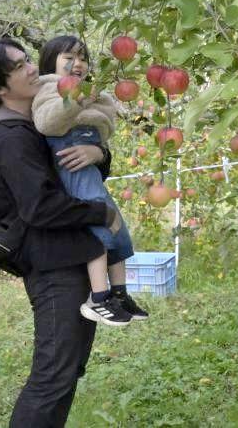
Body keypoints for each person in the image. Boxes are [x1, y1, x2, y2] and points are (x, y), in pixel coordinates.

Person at [0, 38, 121, 427]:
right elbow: (41, 207)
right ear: (0, 88)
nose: (32, 68)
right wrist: (102, 214)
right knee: (53, 376)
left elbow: (78, 168)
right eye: (19, 67)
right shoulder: (10, 137)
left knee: (68, 371)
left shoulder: (39, 121)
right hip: (53, 269)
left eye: (28, 60)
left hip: (74, 256)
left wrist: (99, 155)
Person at [32, 35, 148, 326]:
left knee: (118, 228)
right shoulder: (47, 89)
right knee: (99, 224)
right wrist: (78, 100)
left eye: (83, 58)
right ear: (50, 63)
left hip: (91, 169)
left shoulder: (95, 92)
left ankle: (119, 294)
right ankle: (98, 298)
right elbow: (48, 122)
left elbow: (106, 125)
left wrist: (98, 150)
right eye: (68, 57)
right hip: (70, 166)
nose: (78, 63)